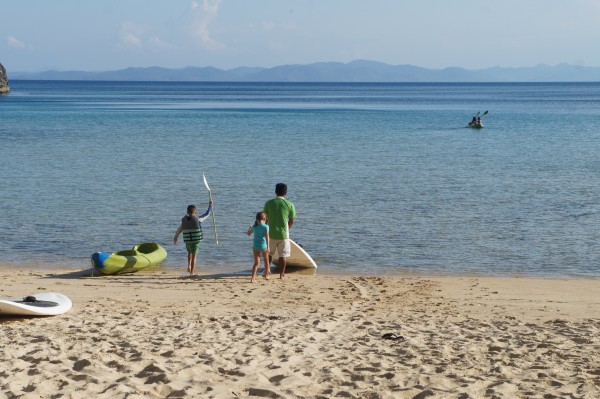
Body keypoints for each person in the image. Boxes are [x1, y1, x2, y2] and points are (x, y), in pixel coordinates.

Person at [264, 183, 296, 279]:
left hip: (271, 233)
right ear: (285, 193)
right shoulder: (289, 204)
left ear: (275, 192)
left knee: (269, 254)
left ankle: (267, 271)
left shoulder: (269, 203)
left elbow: (265, 219)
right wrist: (287, 230)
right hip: (283, 234)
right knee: (283, 256)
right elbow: (291, 221)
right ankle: (281, 275)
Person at [173, 201, 213, 276]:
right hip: (196, 241)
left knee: (189, 252)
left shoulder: (184, 221)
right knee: (194, 255)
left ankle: (188, 265)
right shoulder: (198, 219)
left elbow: (179, 229)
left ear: (187, 212)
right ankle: (192, 272)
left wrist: (176, 238)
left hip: (188, 241)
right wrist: (210, 206)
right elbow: (207, 214)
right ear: (195, 212)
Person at [247, 212, 271, 283]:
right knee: (266, 261)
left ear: (257, 219)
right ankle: (266, 275)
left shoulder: (254, 226)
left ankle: (253, 278)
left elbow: (248, 234)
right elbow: (267, 237)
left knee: (256, 263)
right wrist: (268, 246)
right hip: (264, 246)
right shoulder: (266, 227)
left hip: (256, 246)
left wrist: (249, 229)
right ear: (264, 219)